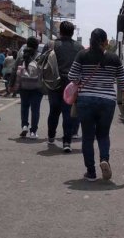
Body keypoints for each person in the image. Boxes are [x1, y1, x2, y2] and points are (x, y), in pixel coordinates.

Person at [68, 28, 124, 181]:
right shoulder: (113, 58)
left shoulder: (82, 55)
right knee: (103, 135)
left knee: (88, 137)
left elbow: (71, 76)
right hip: (107, 102)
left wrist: (80, 80)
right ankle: (104, 159)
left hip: (86, 101)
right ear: (105, 42)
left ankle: (90, 172)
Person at [42, 21, 84, 152]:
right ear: (72, 32)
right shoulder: (79, 47)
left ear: (60, 31)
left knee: (54, 111)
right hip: (71, 84)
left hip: (54, 83)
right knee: (68, 113)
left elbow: (42, 62)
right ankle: (67, 142)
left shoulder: (50, 44)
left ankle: (51, 137)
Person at [9, 37, 43, 139]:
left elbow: (14, 70)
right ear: (37, 46)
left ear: (27, 44)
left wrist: (11, 85)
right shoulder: (40, 57)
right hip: (37, 87)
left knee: (24, 107)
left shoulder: (21, 56)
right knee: (35, 109)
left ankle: (24, 126)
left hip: (24, 85)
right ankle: (33, 132)